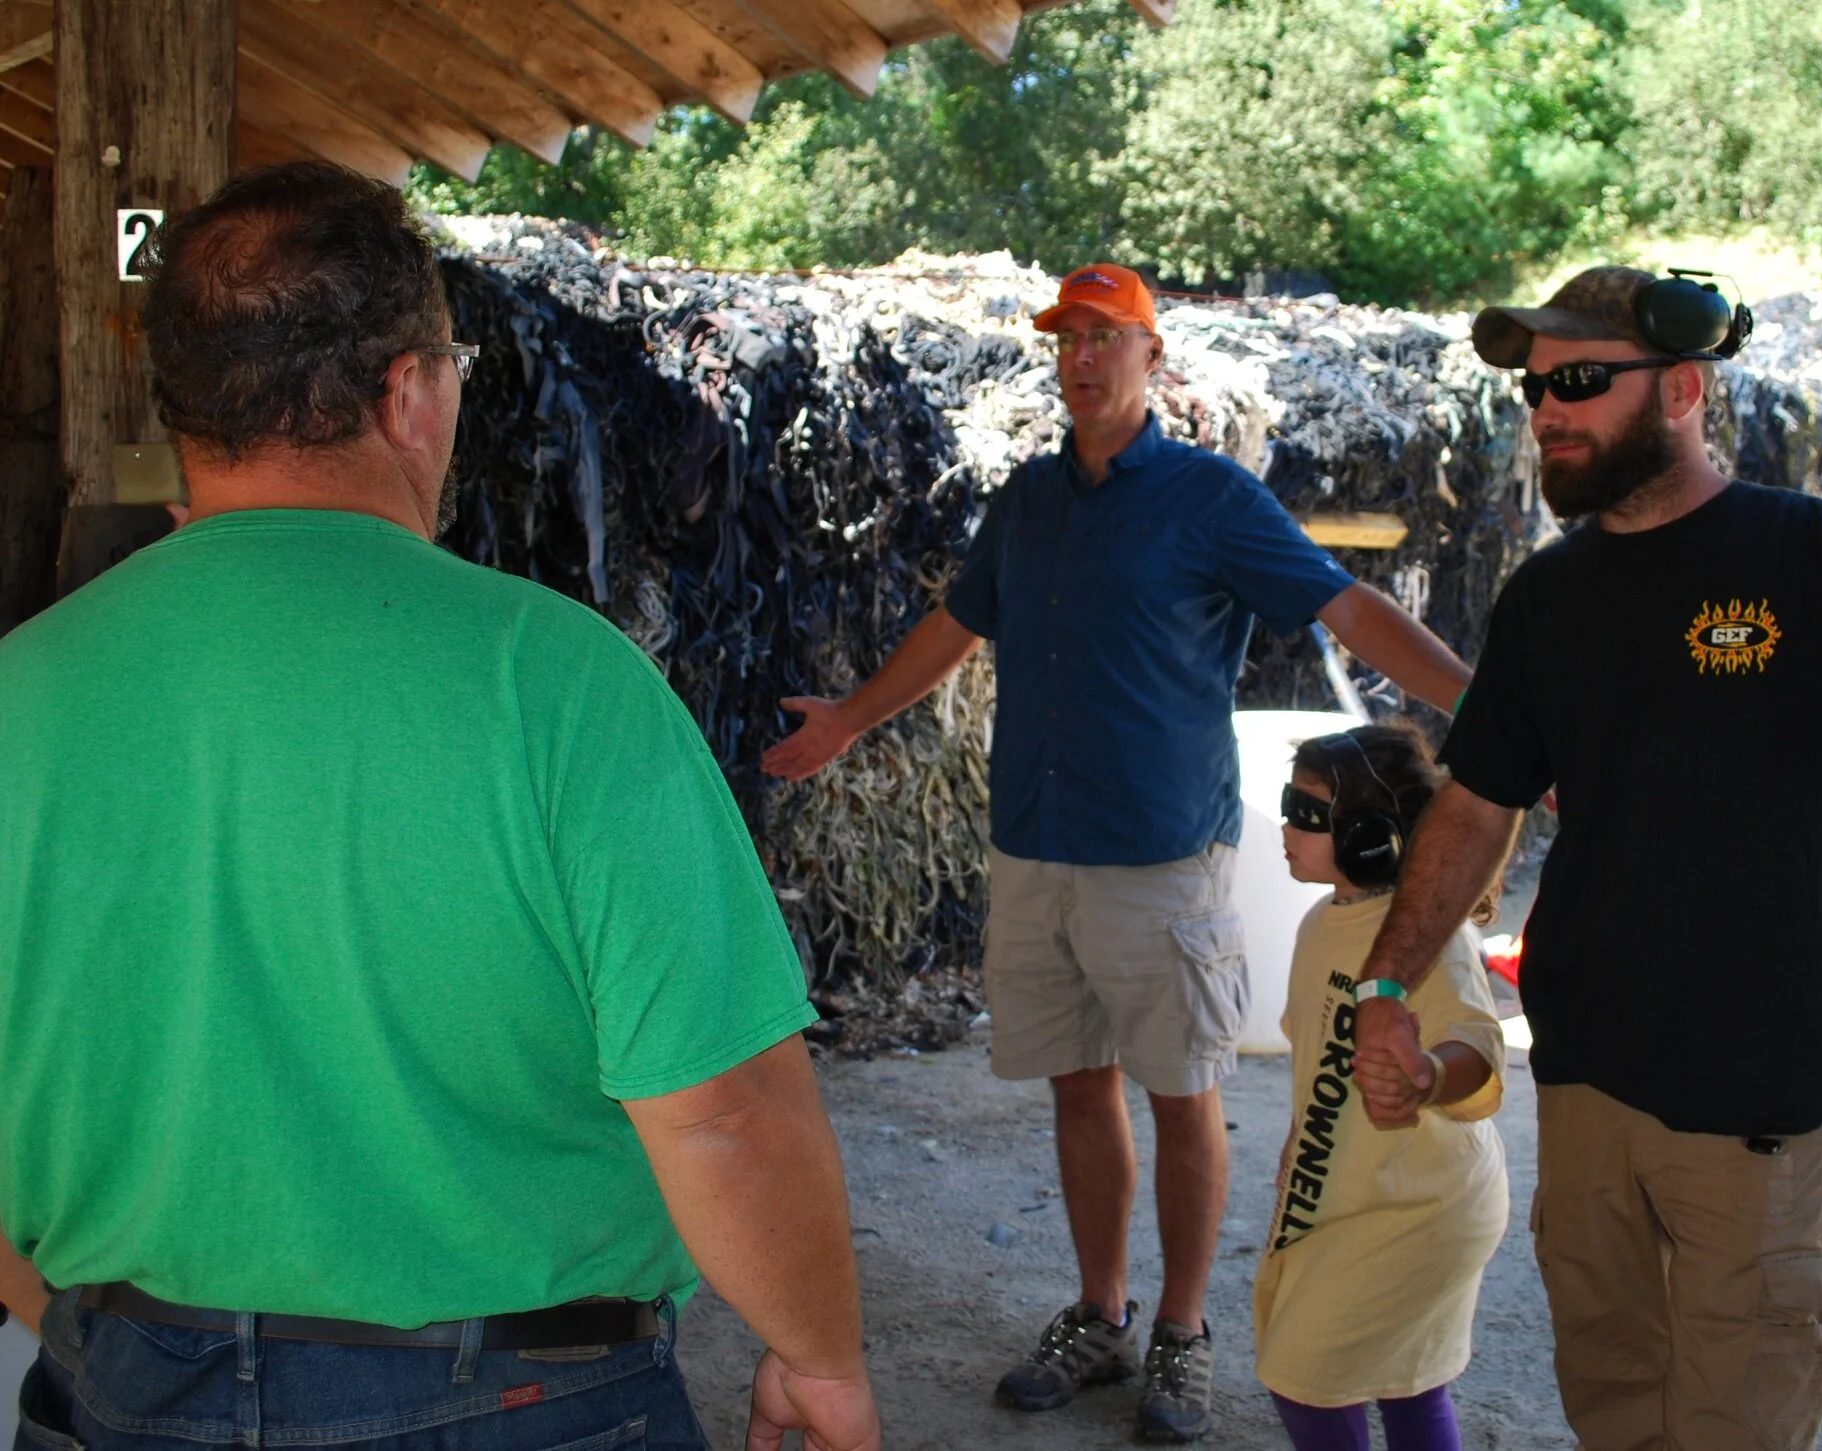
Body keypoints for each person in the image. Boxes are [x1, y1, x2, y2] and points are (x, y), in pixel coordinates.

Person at [0, 163, 880, 1451]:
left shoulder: (23, 689)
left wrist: (83, 1315)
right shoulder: (561, 682)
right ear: (409, 391)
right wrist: (824, 1359)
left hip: (119, 1384)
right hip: (525, 1399)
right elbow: (721, 1108)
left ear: (188, 407)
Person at [762, 262, 1470, 1442]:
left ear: (1153, 359)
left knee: (1182, 1093)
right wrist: (846, 717)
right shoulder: (1030, 499)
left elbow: (1343, 606)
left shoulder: (1209, 498)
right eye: (1065, 338)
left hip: (1159, 857)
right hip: (1036, 845)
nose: (1080, 356)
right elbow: (955, 623)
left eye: (1105, 336)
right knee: (1078, 1086)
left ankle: (1181, 1333)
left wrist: (1484, 707)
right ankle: (1099, 1311)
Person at [1348, 264, 1822, 1451]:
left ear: (1684, 389)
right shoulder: (1546, 597)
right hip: (1590, 1082)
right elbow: (1475, 802)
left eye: (1580, 381)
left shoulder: (1819, 555)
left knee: (1737, 1423)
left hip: (1758, 1094)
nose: (1546, 409)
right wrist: (1386, 985)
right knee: (1613, 1408)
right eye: (1535, 388)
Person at [1254, 723, 1507, 1451]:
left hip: (1420, 1205)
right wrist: (1301, 1143)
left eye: (1308, 815)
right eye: (1288, 806)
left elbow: (1480, 1050)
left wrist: (1427, 1077)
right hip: (1360, 1188)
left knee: (1302, 1373)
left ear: (1371, 837)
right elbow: (1317, 1056)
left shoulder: (1427, 935)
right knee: (1407, 1379)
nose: (1287, 827)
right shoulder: (1321, 924)